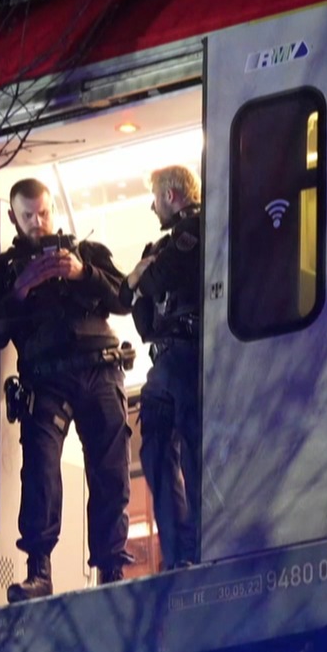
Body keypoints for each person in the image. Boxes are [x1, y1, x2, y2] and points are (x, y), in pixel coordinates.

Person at [0, 178, 134, 601]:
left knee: (111, 471)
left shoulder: (86, 253)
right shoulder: (4, 272)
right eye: (28, 216)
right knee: (41, 473)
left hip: (100, 368)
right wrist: (21, 289)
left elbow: (126, 298)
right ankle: (39, 571)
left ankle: (111, 568)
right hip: (46, 379)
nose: (38, 223)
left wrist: (83, 273)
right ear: (14, 217)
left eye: (44, 213)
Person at [123, 165, 203, 570]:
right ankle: (177, 554)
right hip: (166, 360)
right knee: (154, 452)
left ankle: (200, 548)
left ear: (171, 195)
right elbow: (138, 308)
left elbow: (153, 281)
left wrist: (144, 275)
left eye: (155, 198)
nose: (152, 207)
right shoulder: (162, 244)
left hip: (191, 355)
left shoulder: (198, 228)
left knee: (194, 452)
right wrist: (143, 277)